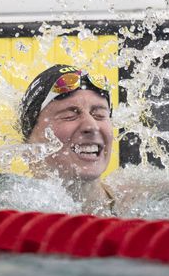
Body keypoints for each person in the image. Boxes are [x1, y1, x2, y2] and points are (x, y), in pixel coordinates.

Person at [18, 64, 116, 215]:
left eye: (99, 115)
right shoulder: (3, 204)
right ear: (30, 142)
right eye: (69, 115)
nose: (92, 126)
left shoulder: (142, 200)